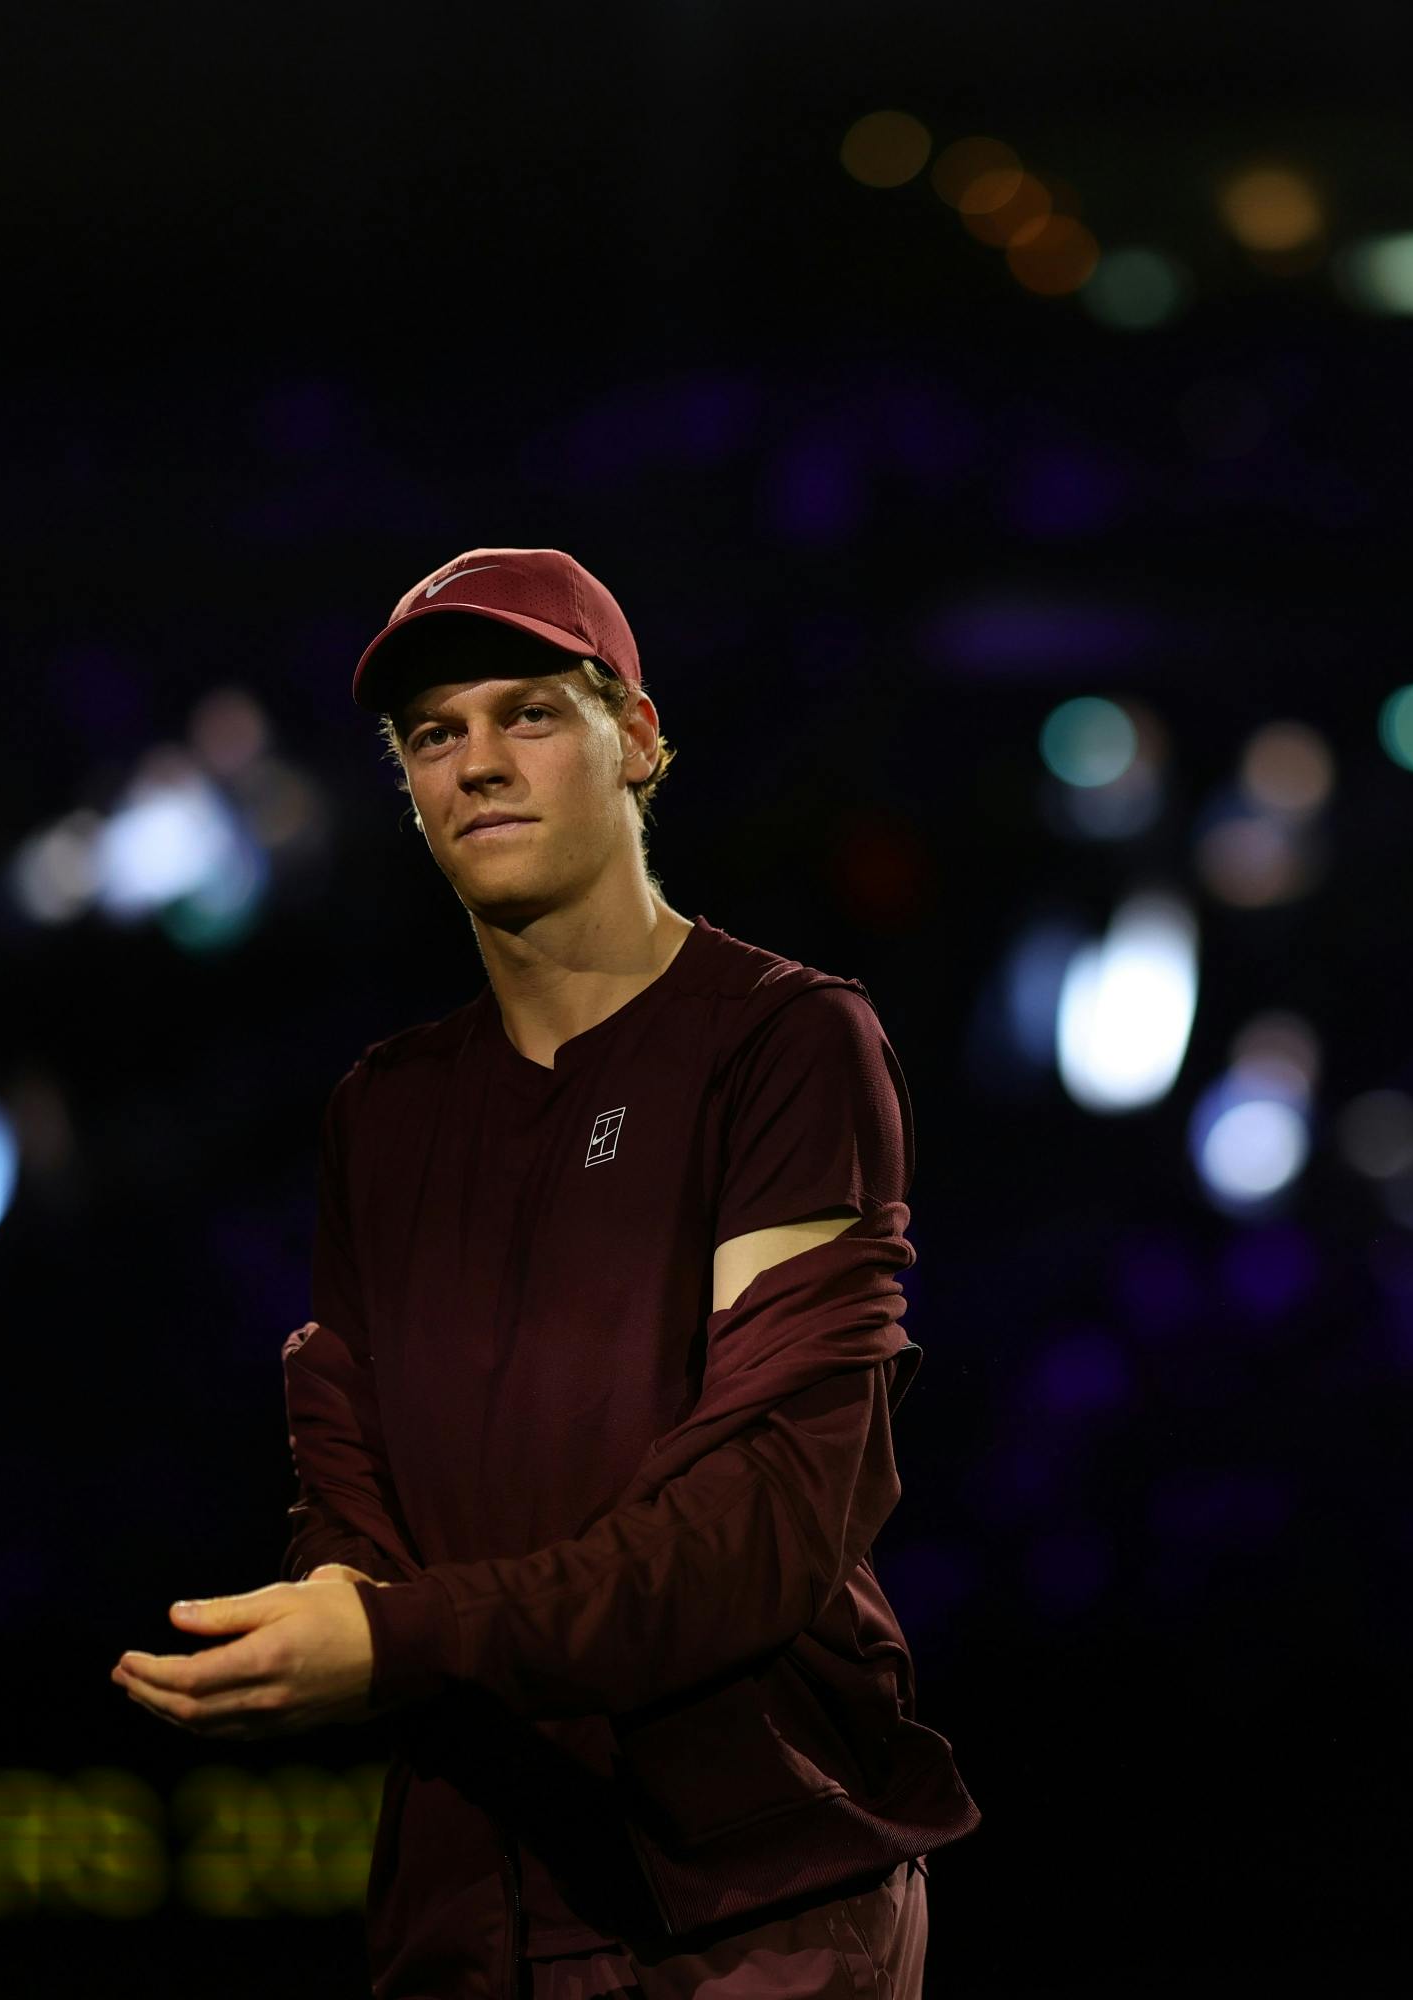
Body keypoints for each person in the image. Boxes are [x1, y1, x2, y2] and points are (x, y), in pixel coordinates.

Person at [112, 548, 979, 1996]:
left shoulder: (787, 1044)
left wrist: (392, 1638)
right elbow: (348, 1487)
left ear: (636, 740)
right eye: (434, 736)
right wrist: (326, 1605)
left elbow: (763, 1523)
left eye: (527, 713)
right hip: (469, 1897)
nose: (478, 765)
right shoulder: (381, 1113)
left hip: (757, 1901)